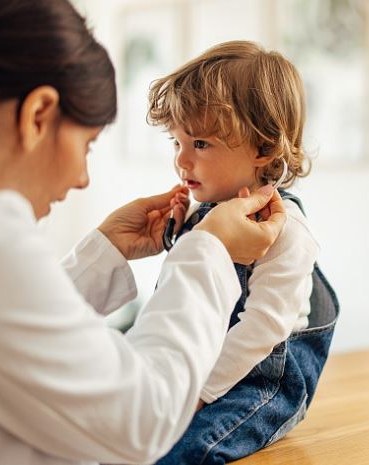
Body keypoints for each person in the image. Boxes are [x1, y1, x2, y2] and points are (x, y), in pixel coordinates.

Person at [0, 2, 287, 465]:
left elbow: (6, 337)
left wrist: (106, 250)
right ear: (39, 114)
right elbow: (145, 420)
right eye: (87, 145)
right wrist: (211, 251)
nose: (83, 177)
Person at [148, 41, 339, 465]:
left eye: (199, 144)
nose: (182, 161)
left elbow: (264, 328)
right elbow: (190, 291)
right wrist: (177, 234)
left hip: (263, 380)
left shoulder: (287, 231)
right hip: (202, 364)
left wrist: (195, 397)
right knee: (126, 438)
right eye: (176, 142)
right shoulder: (205, 213)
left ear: (264, 148)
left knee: (187, 451)